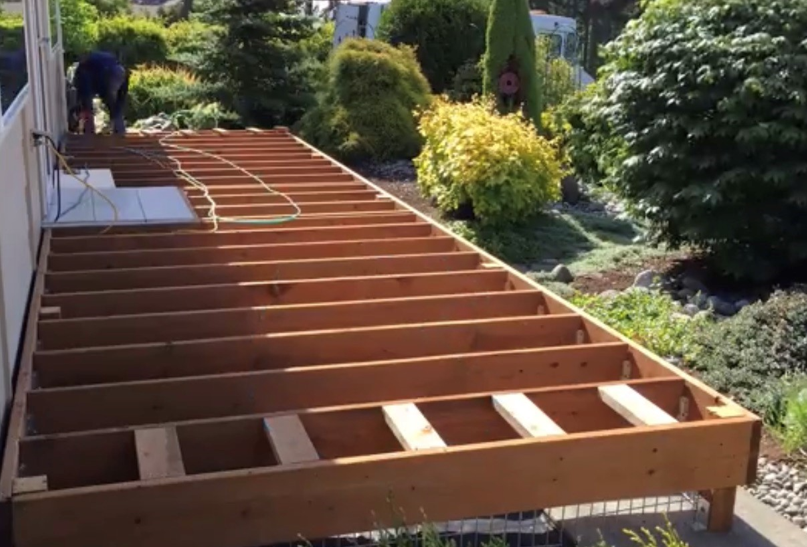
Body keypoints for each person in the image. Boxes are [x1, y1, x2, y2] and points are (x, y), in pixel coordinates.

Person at [72, 51, 129, 135]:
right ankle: (119, 131)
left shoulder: (83, 73)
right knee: (114, 105)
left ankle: (90, 133)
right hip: (116, 70)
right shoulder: (86, 72)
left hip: (107, 72)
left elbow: (86, 98)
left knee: (111, 104)